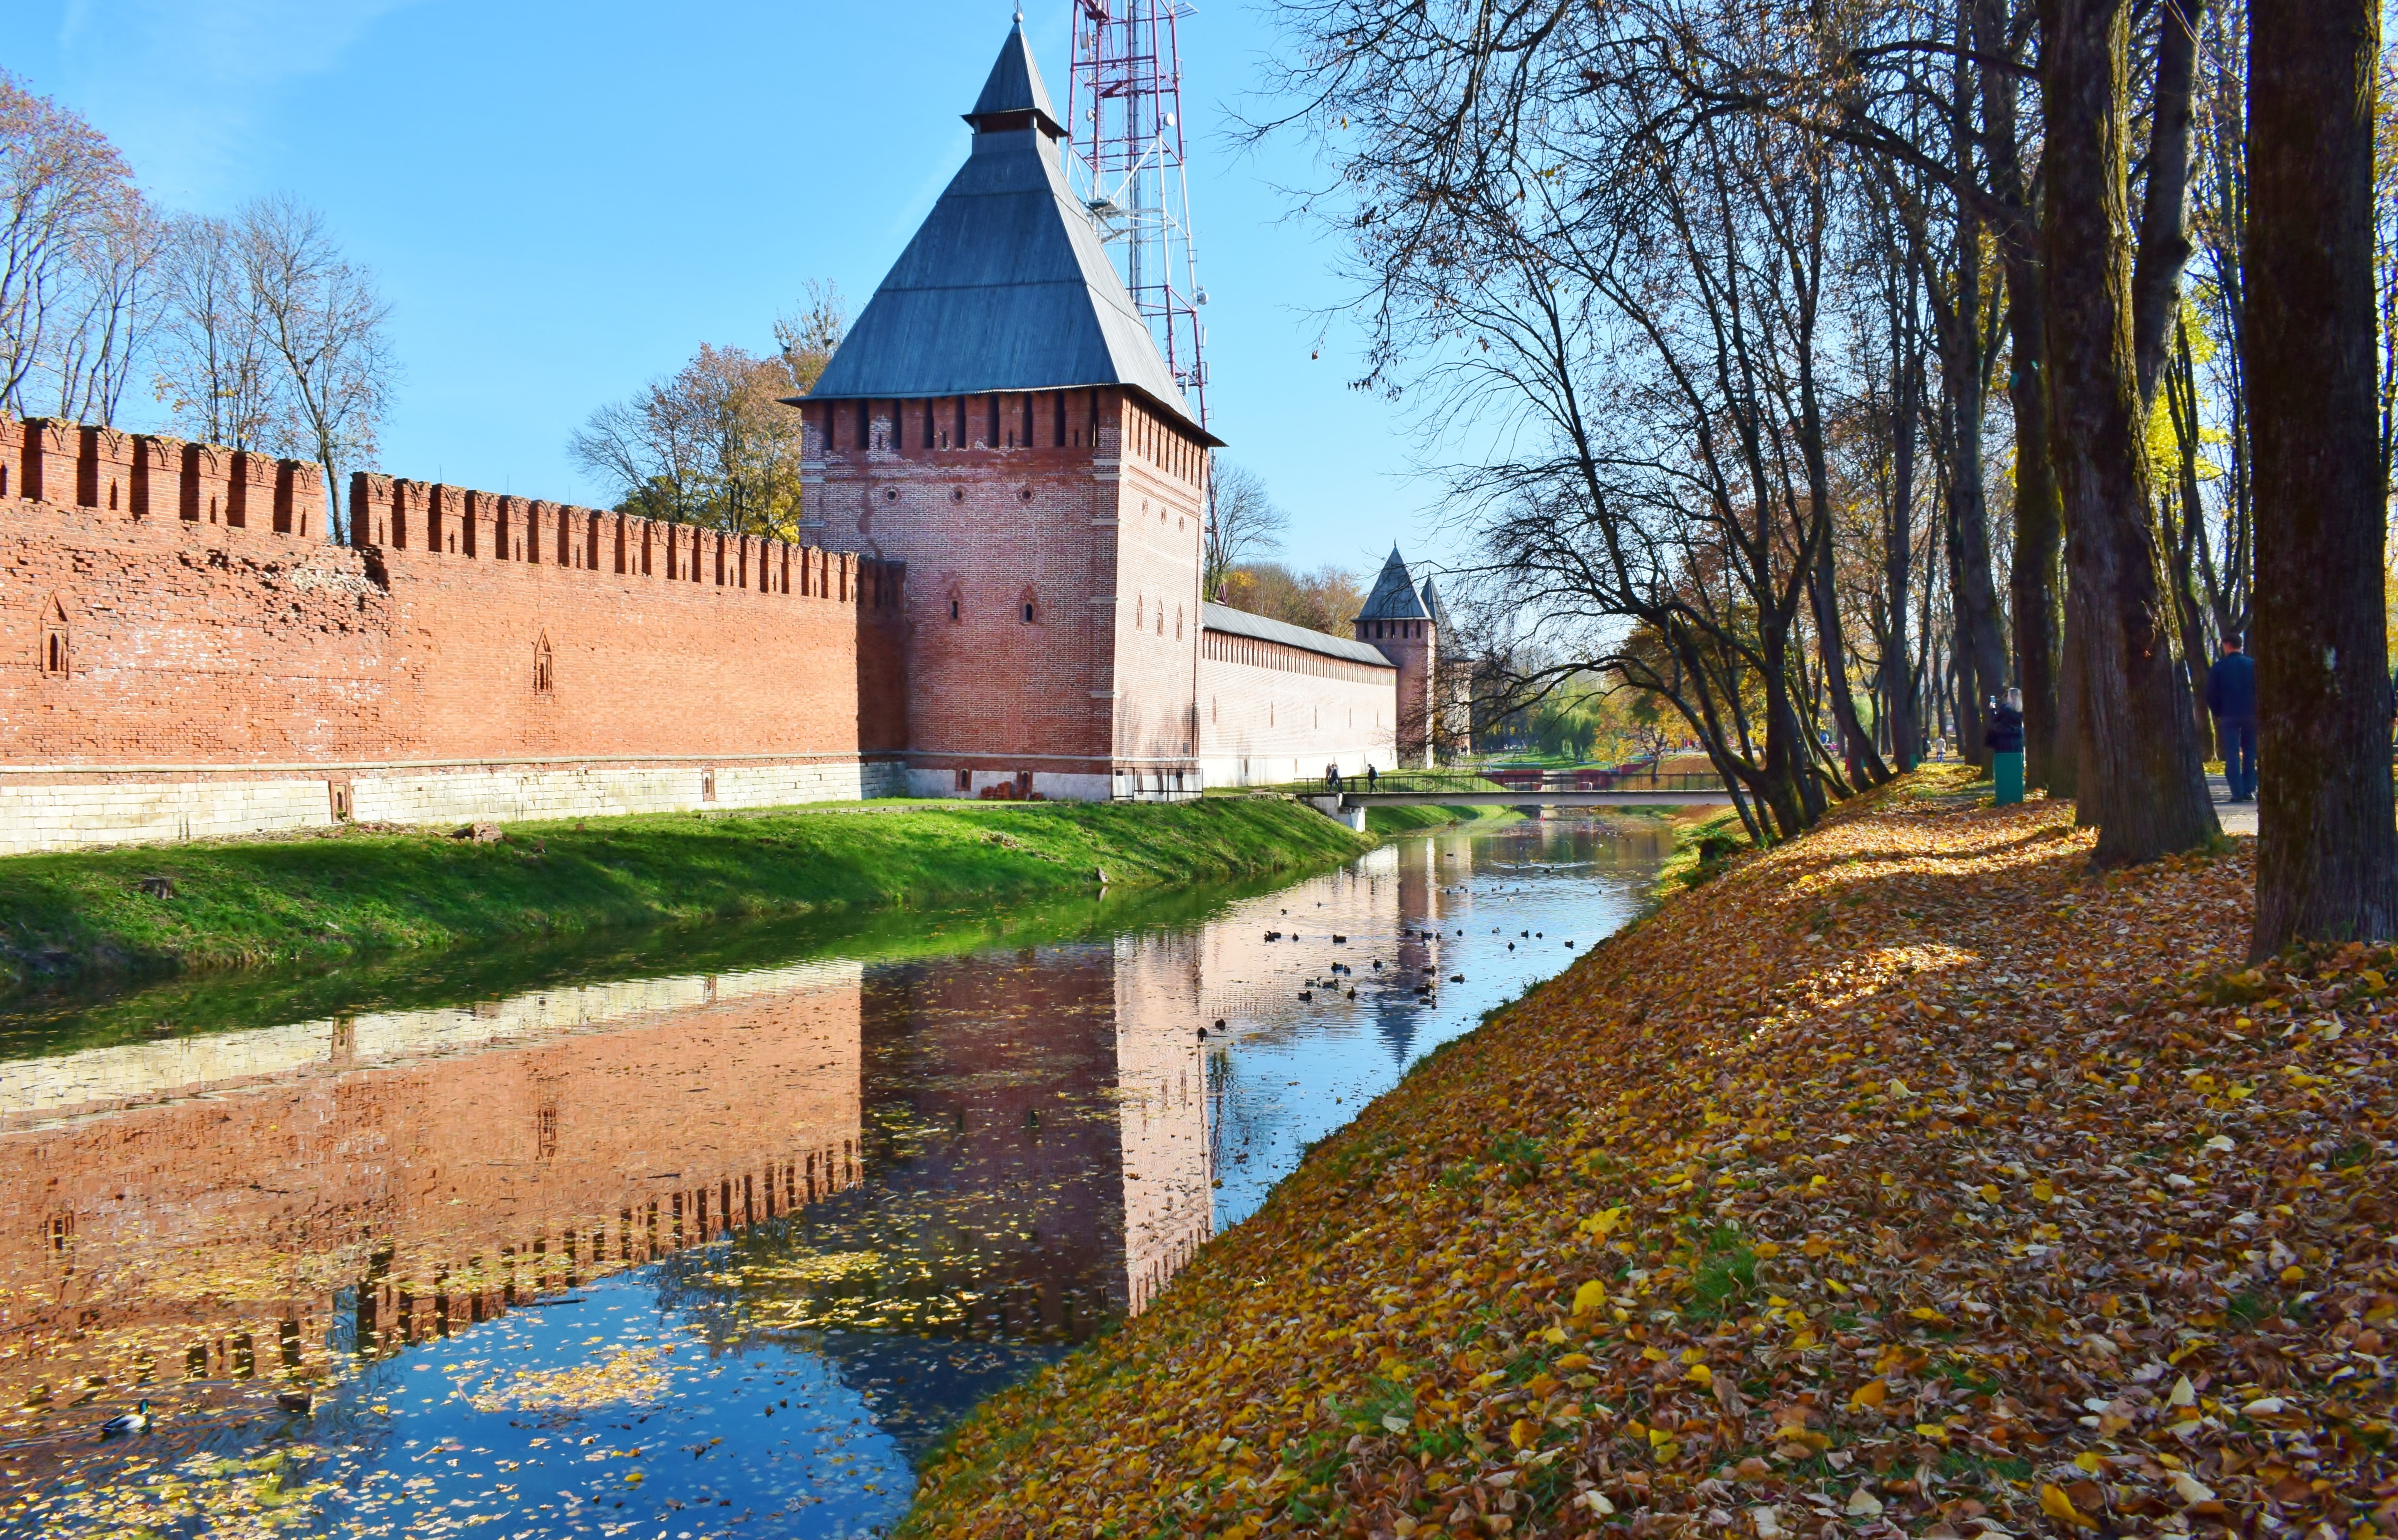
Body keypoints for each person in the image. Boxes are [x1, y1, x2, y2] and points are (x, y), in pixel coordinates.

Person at [2206, 635, 2258, 802]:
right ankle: (2250, 789)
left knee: (2232, 753)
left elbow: (2212, 694)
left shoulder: (2219, 668)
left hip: (2229, 715)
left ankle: (2237, 791)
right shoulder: (2252, 665)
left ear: (2227, 645)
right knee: (2250, 752)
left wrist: (2218, 712)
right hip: (2251, 714)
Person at [1985, 687, 2026, 805]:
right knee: (2017, 762)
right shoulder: (2022, 710)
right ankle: (2017, 788)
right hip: (2018, 739)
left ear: (2011, 697)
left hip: (2004, 739)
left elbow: (1995, 720)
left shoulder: (2005, 709)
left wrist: (1992, 710)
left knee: (2004, 763)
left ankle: (2005, 791)